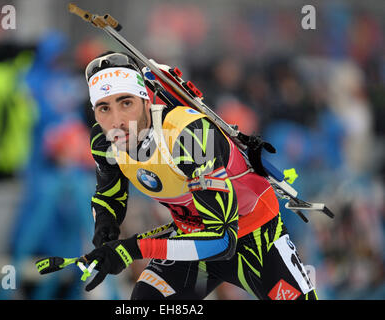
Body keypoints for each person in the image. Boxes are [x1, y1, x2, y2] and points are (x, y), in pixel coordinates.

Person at [82, 52, 317, 300]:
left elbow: (222, 240)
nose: (117, 120)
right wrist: (105, 231)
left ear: (145, 101)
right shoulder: (104, 141)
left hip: (254, 238)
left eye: (126, 103)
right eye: (104, 108)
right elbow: (108, 197)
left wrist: (131, 249)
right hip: (191, 241)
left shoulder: (188, 136)